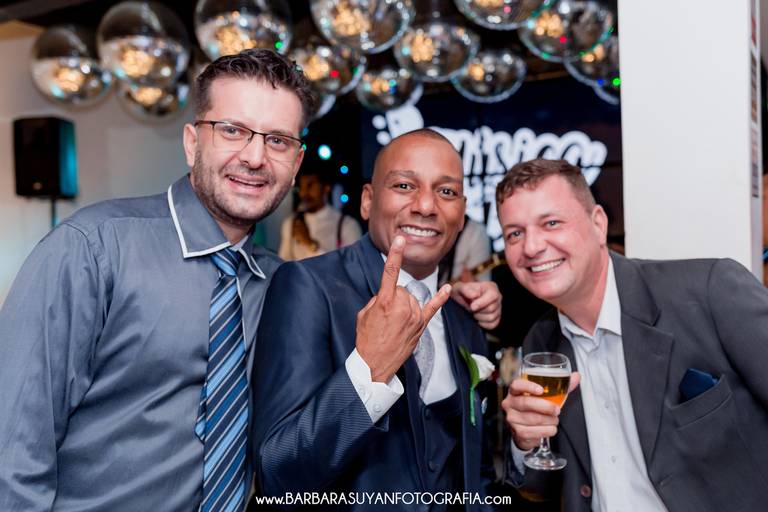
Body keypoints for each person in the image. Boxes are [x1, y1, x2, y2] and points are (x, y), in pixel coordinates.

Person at [0, 49, 316, 511]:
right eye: (232, 130)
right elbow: (14, 447)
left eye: (278, 141)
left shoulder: (284, 285)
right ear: (192, 142)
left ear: (297, 162)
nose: (255, 157)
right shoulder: (93, 249)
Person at [497, 159, 768, 512]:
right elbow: (545, 487)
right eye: (514, 234)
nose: (531, 246)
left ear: (598, 224)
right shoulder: (542, 343)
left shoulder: (708, 290)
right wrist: (524, 442)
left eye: (551, 223)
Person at [251, 129, 501, 510]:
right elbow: (278, 477)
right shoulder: (308, 287)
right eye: (404, 186)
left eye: (446, 191)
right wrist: (369, 370)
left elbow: (475, 473)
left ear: (462, 213)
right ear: (367, 201)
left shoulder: (465, 319)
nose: (426, 205)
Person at [278, 169, 362, 260]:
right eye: (302, 187)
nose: (304, 193)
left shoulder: (347, 224)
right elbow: (283, 261)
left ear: (326, 187)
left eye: (310, 185)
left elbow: (352, 264)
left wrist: (311, 244)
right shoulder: (290, 223)